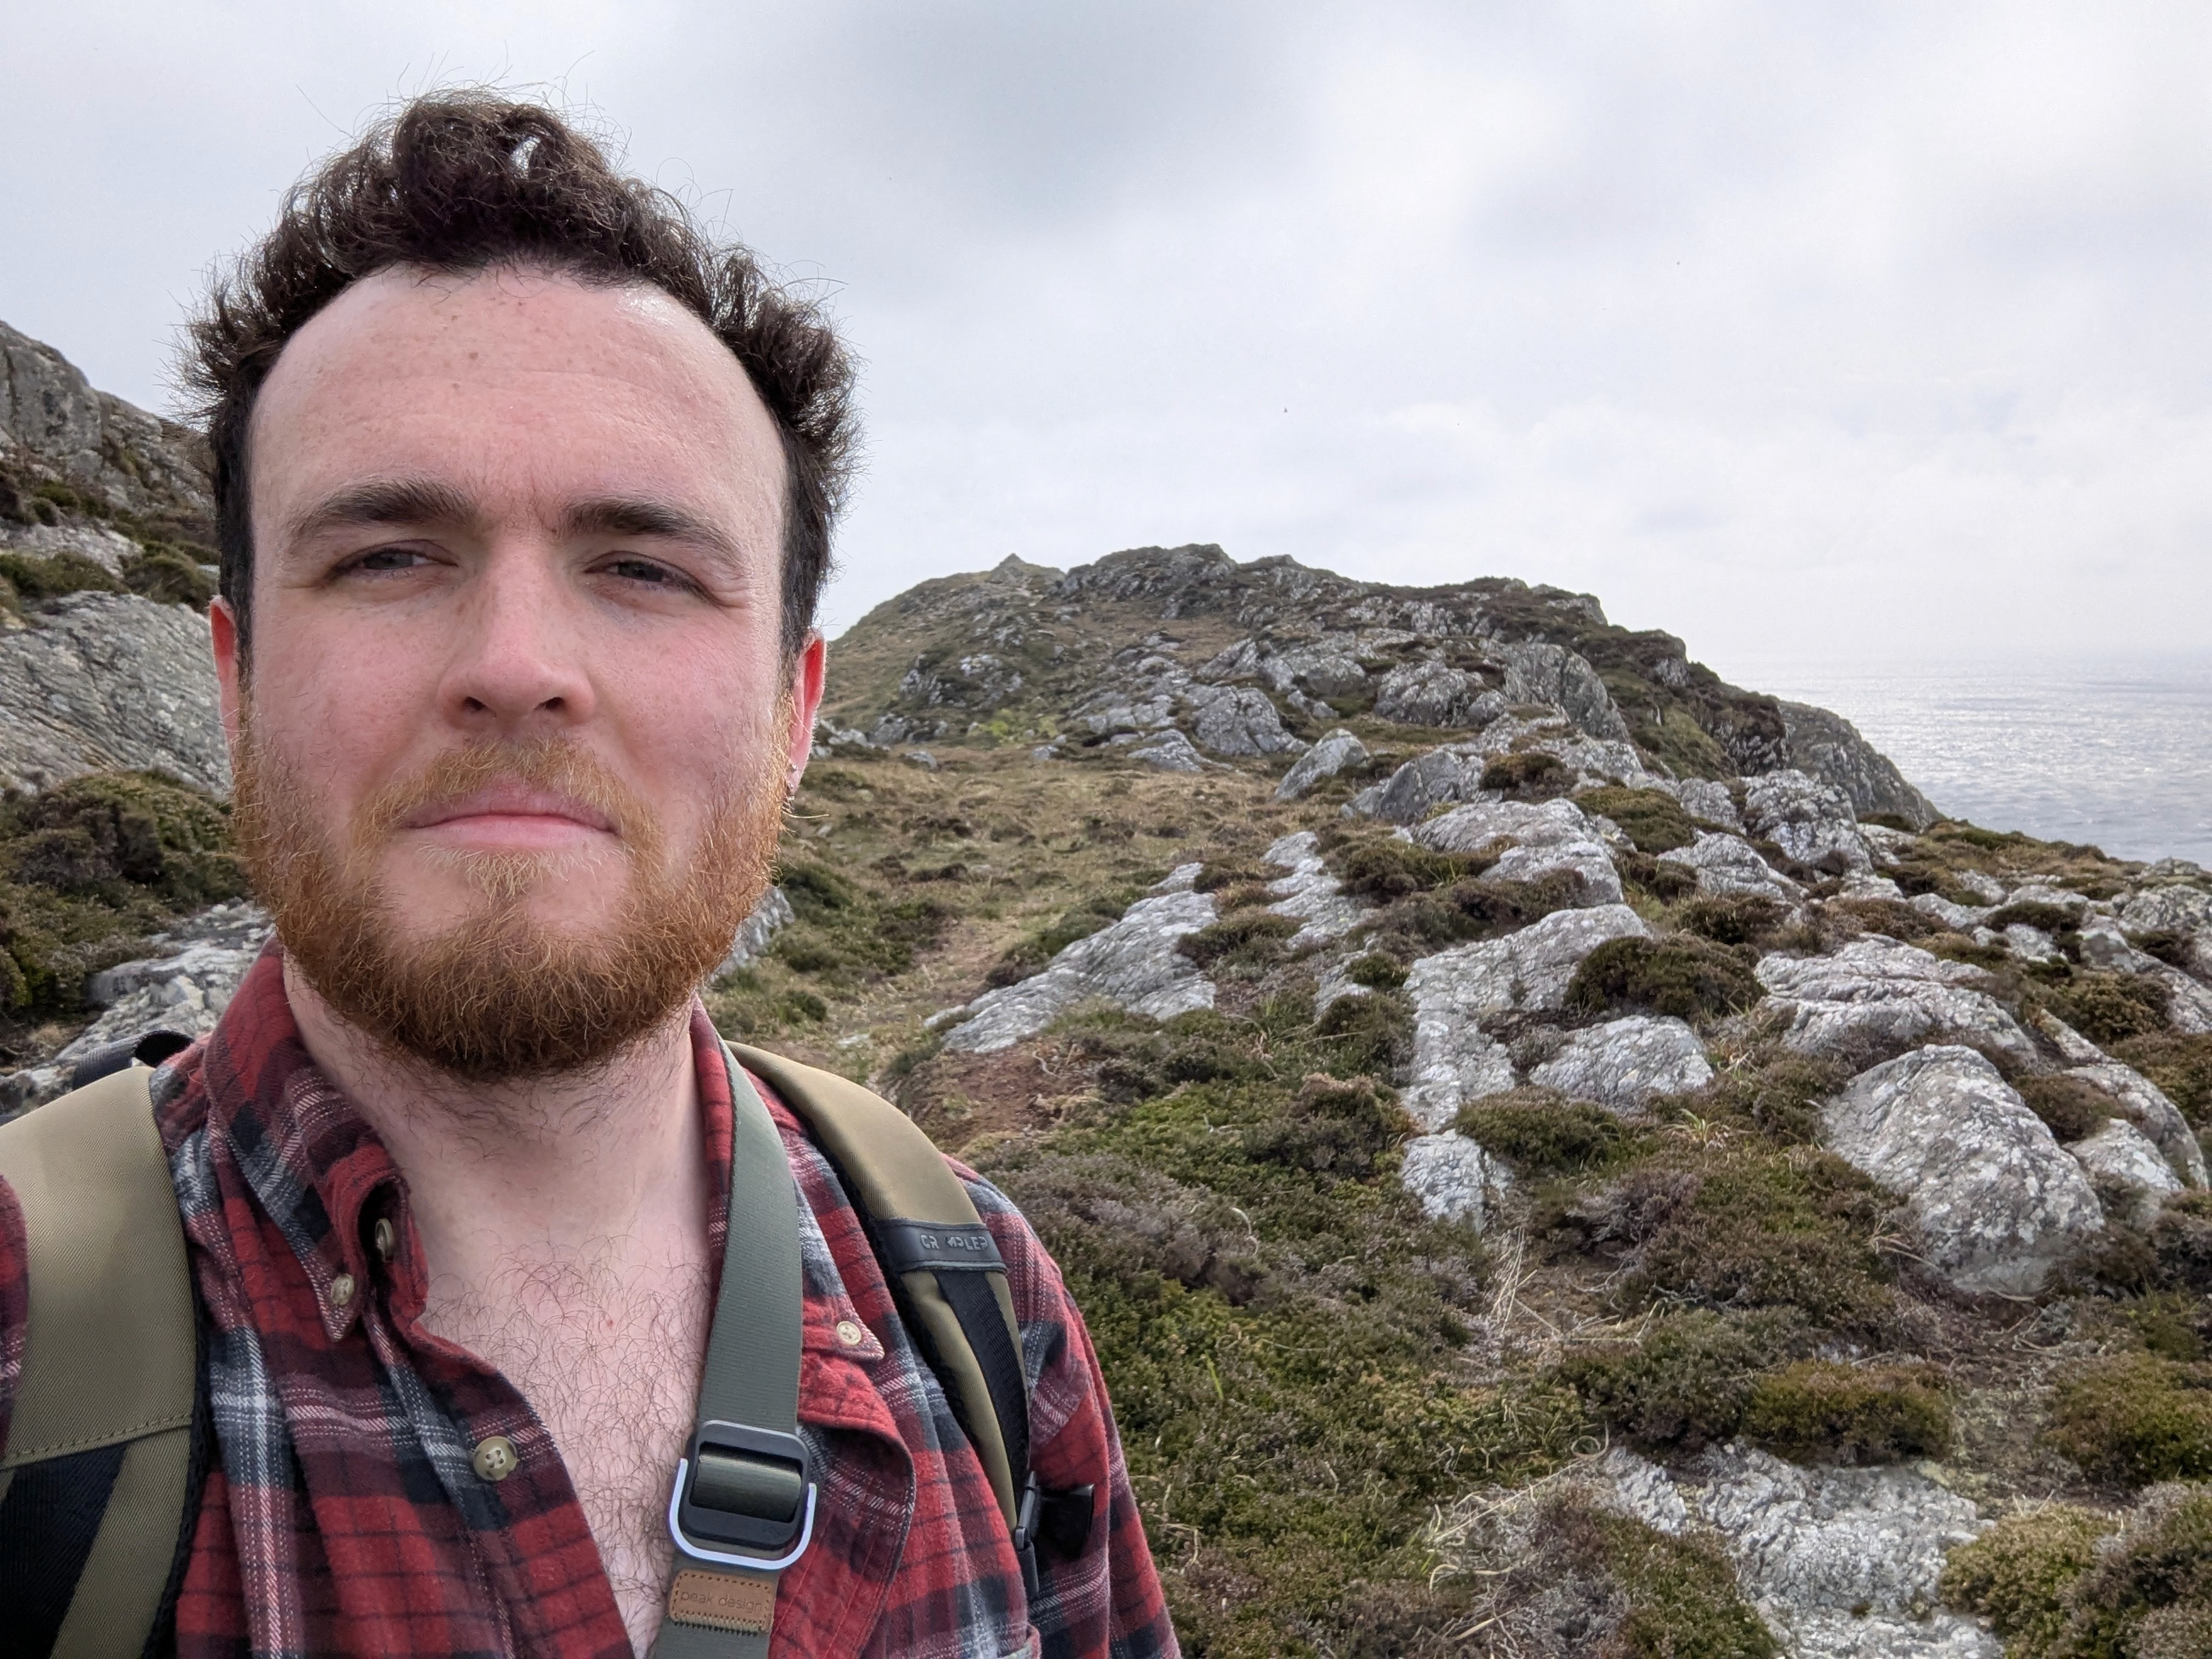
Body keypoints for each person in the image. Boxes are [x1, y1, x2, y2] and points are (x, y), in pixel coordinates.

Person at [0, 92, 1175, 1658]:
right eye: (390, 556)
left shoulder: (982, 1313)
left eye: (641, 568)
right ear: (231, 684)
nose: (516, 666)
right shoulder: (25, 1349)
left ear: (794, 715)